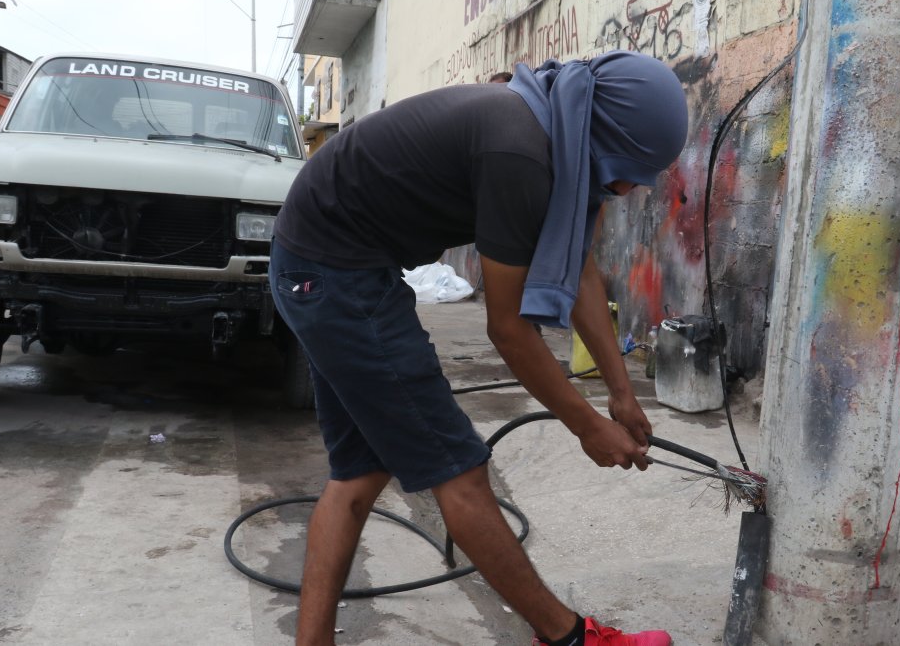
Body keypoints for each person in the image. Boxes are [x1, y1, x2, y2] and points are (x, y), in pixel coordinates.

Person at [270, 50, 688, 646]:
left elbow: (582, 273)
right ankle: (568, 638)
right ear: (605, 136)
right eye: (630, 170)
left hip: (325, 265)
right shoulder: (520, 150)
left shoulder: (555, 127)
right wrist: (587, 426)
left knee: (359, 471)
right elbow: (509, 330)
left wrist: (622, 396)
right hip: (335, 275)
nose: (630, 187)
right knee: (458, 468)